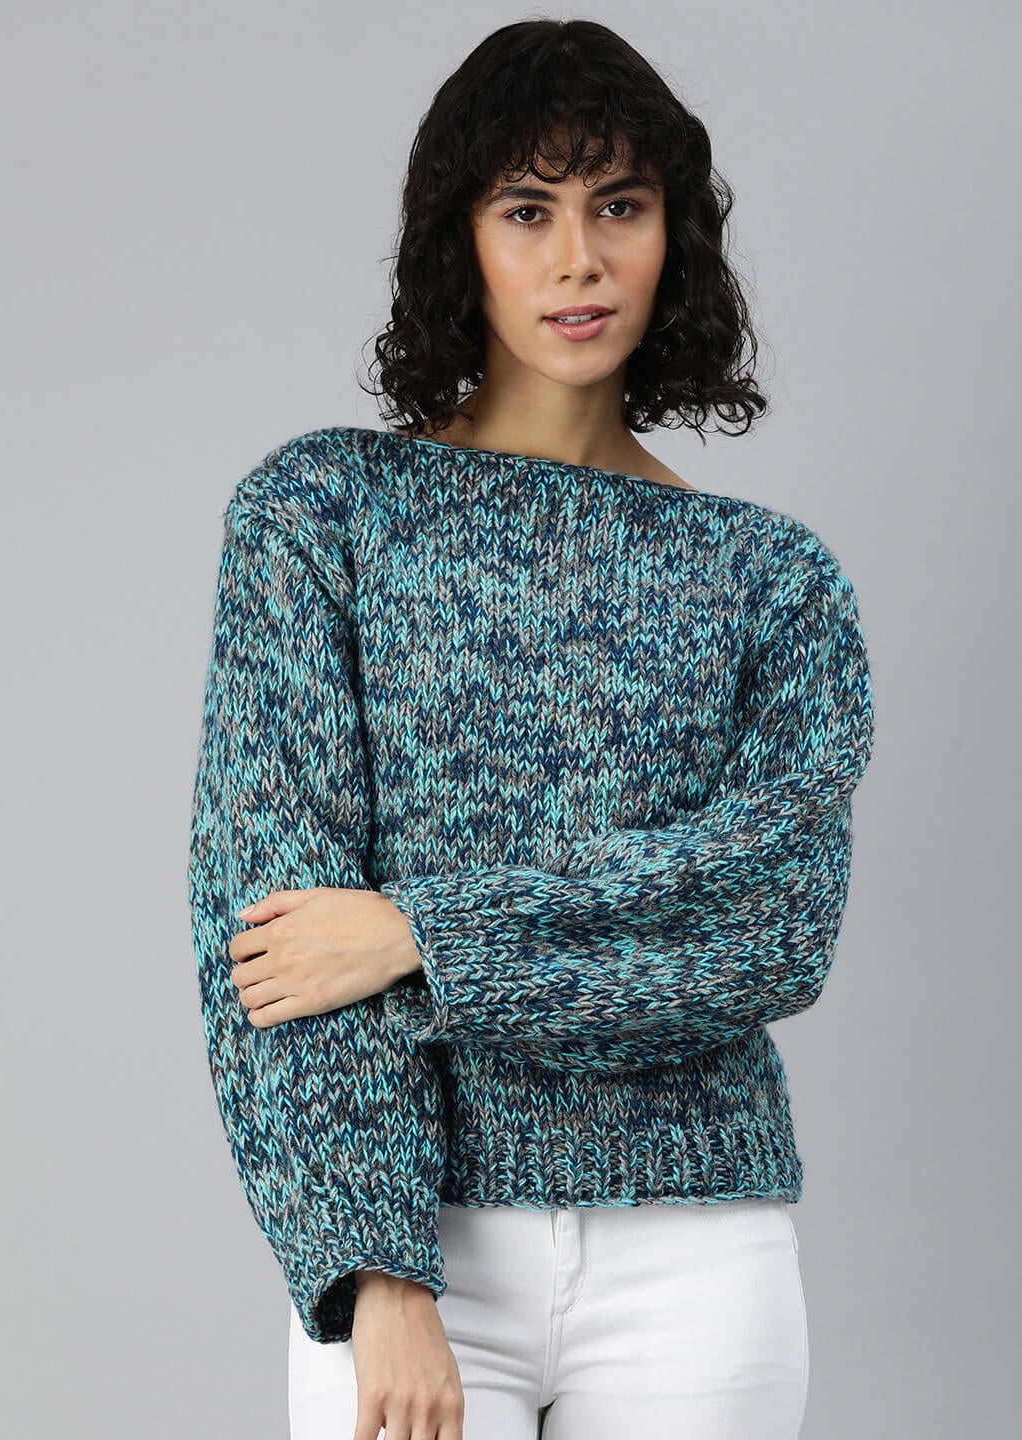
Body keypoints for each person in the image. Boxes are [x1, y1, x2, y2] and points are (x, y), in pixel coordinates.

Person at [186, 18, 875, 1440]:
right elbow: (273, 940)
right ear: (463, 242)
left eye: (620, 206)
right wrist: (378, 1275)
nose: (580, 259)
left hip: (702, 1249)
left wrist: (422, 932)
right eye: (527, 211)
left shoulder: (772, 575)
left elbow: (770, 925)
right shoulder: (321, 515)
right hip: (420, 1242)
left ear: (675, 237)